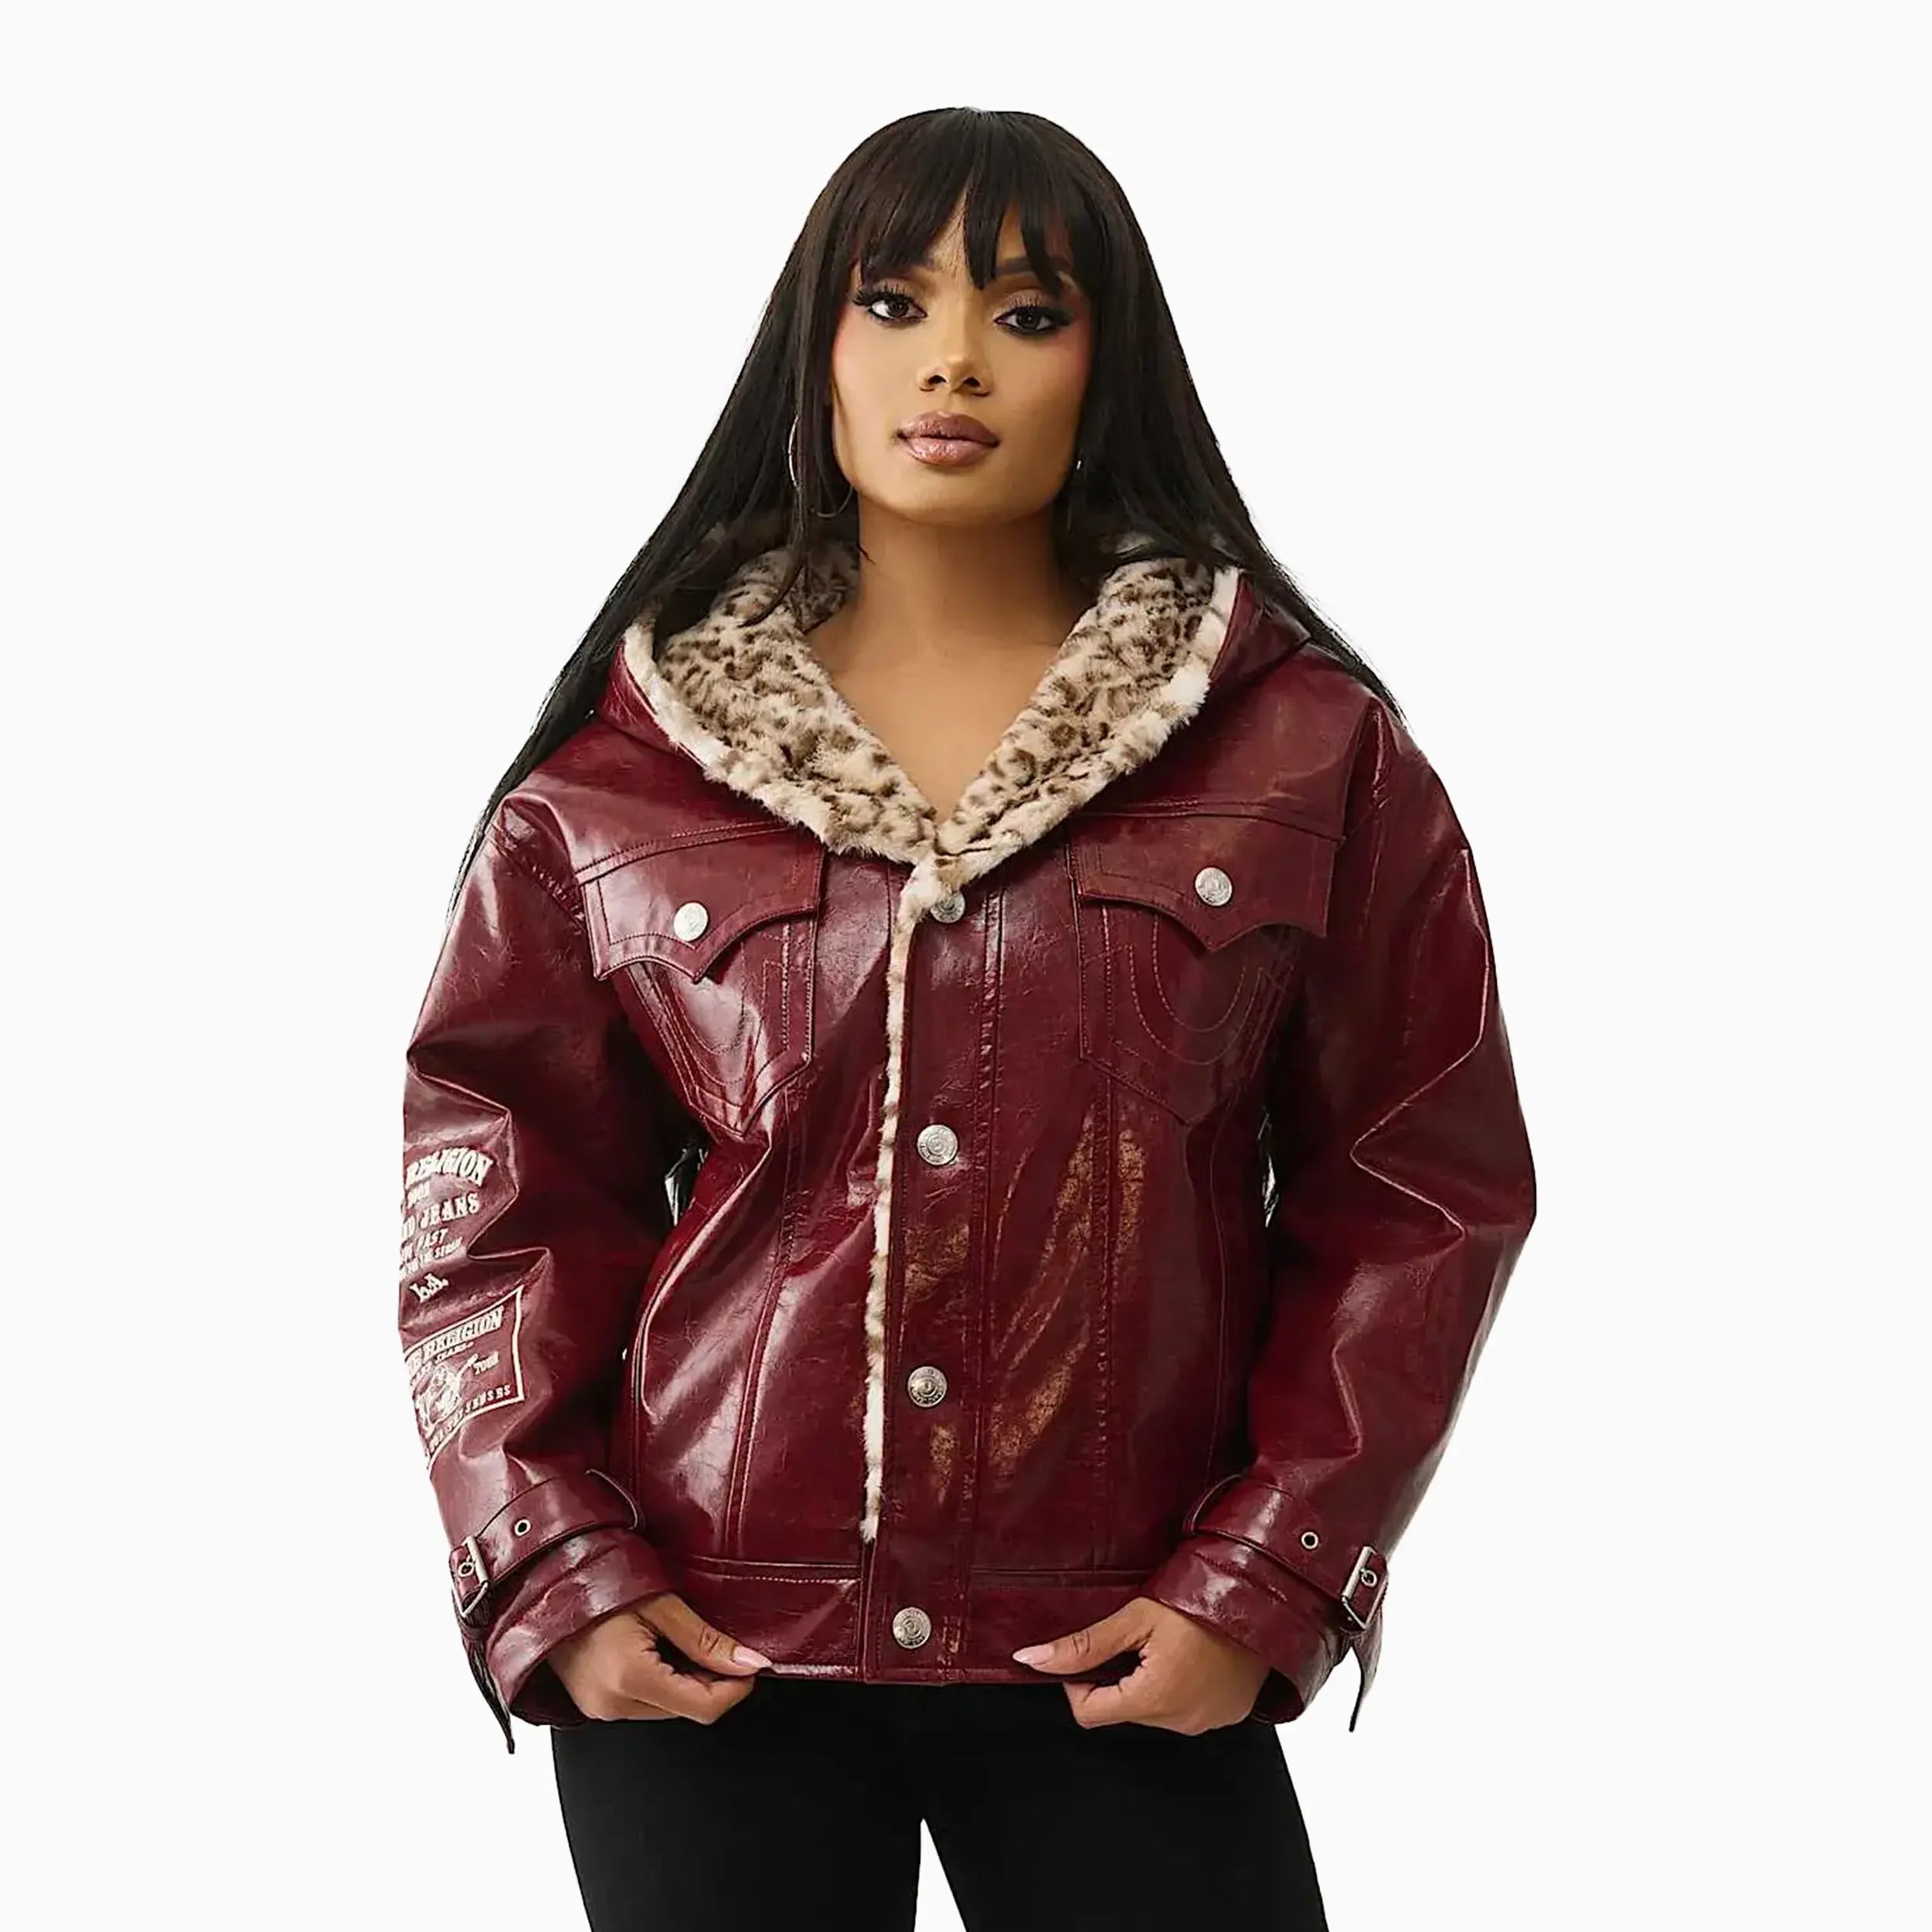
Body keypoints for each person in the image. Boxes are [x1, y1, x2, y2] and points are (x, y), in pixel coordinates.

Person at [398, 105, 1537, 1931]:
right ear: (815, 349)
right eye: (892, 300)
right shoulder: (620, 779)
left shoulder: (1305, 750)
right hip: (707, 1646)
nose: (952, 359)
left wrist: (1263, 1574)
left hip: (1127, 1638)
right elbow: (495, 1199)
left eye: (1025, 311)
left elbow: (1416, 1187)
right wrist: (552, 1560)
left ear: (1109, 361)